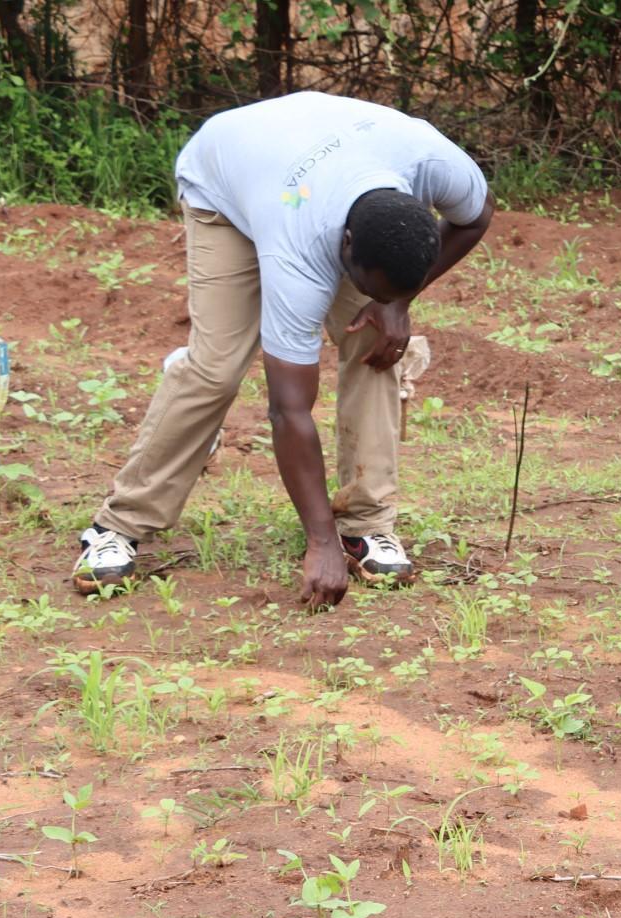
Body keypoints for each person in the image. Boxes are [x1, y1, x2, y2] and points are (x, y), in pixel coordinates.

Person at [73, 92, 494, 607]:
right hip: (226, 184)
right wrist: (319, 543)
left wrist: (397, 304)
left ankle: (366, 524)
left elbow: (476, 217)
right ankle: (119, 524)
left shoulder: (434, 163)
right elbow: (287, 409)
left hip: (309, 160)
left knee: (374, 340)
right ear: (343, 247)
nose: (377, 296)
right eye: (372, 286)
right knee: (217, 367)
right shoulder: (299, 249)